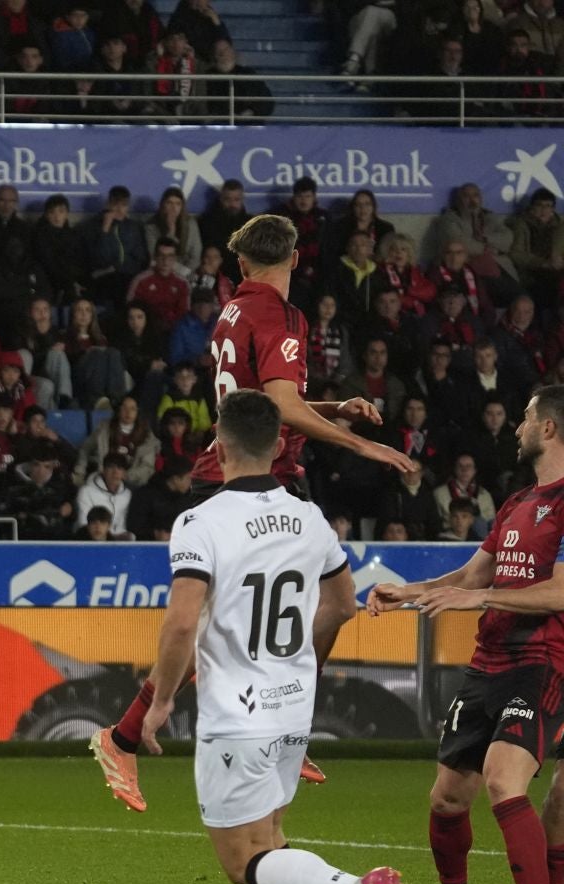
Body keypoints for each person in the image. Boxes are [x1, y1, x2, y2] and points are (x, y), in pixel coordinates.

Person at [91, 212, 416, 813]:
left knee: (337, 602)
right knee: (215, 626)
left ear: (242, 263)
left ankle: (283, 724)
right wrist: (362, 443)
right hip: (242, 481)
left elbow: (267, 402)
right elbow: (282, 408)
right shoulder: (280, 314)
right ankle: (124, 736)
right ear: (294, 260)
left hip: (266, 474)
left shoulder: (234, 309)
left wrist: (332, 408)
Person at [140, 387, 421, 884]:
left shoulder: (199, 522)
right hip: (293, 705)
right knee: (271, 840)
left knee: (243, 863)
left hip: (235, 713)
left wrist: (160, 702)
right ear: (276, 445)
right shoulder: (309, 516)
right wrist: (301, 665)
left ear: (219, 441)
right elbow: (342, 604)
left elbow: (183, 622)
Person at [368, 388, 564, 884]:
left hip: (540, 664)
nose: (518, 427)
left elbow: (558, 590)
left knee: (506, 780)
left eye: (526, 418)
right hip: (487, 666)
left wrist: (476, 600)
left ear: (549, 429)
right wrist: (411, 593)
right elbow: (474, 574)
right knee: (447, 800)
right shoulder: (517, 502)